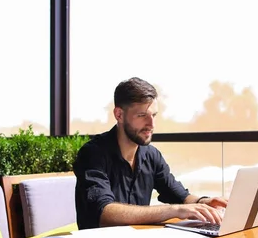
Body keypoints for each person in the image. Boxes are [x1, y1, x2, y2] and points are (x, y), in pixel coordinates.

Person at [74, 77, 228, 230]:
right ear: (119, 115)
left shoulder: (151, 155)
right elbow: (104, 213)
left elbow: (179, 196)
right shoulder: (92, 154)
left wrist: (203, 202)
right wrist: (175, 210)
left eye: (154, 115)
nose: (151, 125)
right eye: (142, 116)